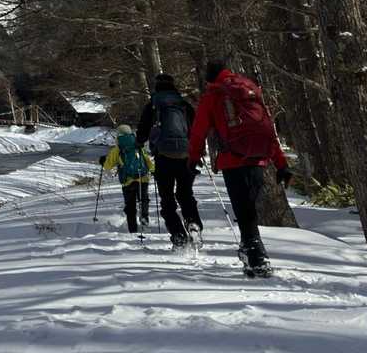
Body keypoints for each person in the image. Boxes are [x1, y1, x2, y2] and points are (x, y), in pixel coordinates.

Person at [188, 58, 293, 277]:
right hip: (258, 158)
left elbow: (199, 131)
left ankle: (257, 258)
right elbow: (268, 128)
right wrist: (281, 163)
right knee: (249, 209)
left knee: (244, 211)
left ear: (210, 78)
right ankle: (251, 252)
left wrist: (193, 158)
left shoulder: (214, 95)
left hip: (232, 159)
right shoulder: (250, 89)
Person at [137, 72, 203, 250]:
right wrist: (198, 152)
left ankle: (178, 234)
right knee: (185, 194)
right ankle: (193, 224)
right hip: (186, 156)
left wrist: (139, 142)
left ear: (157, 86)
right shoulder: (183, 104)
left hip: (163, 157)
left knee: (167, 199)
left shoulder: (153, 105)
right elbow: (196, 129)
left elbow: (142, 130)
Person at [99, 124, 154, 234]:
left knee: (130, 206)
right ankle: (144, 219)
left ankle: (132, 229)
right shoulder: (138, 144)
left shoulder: (118, 148)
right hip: (142, 178)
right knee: (144, 200)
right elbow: (147, 160)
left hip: (128, 181)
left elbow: (108, 166)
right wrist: (153, 170)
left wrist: (103, 161)